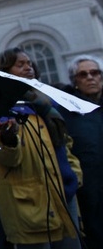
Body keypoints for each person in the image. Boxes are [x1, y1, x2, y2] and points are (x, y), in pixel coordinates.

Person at [0, 48, 82, 249]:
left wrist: (74, 173)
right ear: (4, 71)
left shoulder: (45, 102)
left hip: (65, 192)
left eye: (29, 63)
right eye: (20, 65)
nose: (28, 67)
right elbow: (3, 158)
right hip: (32, 201)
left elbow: (65, 144)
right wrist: (8, 140)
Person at [61, 55, 103, 249]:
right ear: (75, 81)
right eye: (83, 74)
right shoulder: (69, 111)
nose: (90, 78)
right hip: (89, 190)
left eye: (95, 73)